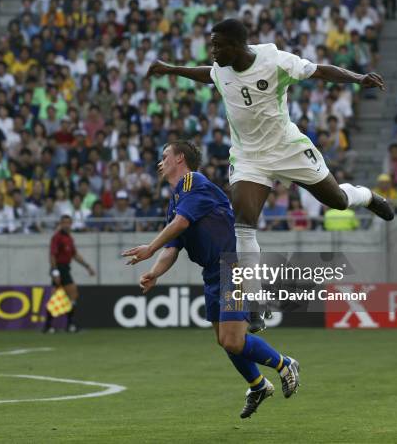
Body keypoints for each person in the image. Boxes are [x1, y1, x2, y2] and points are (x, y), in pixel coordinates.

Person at [146, 18, 394, 331]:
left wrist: (359, 78)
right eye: (212, 45)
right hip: (249, 157)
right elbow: (208, 76)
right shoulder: (220, 68)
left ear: (237, 46)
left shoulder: (274, 60)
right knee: (244, 225)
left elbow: (320, 70)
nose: (213, 52)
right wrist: (170, 68)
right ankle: (255, 302)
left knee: (338, 200)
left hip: (287, 147)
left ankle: (367, 196)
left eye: (218, 46)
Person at [122, 141, 300, 419]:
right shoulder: (176, 200)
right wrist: (154, 273)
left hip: (232, 265)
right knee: (223, 339)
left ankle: (285, 364)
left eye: (165, 155)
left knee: (232, 340)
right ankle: (257, 386)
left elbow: (179, 226)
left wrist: (149, 249)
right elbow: (173, 246)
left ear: (180, 158)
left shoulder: (194, 181)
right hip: (213, 273)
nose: (160, 161)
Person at [49, 215, 95, 332]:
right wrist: (55, 272)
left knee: (58, 296)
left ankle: (50, 326)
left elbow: (74, 255)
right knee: (72, 294)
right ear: (60, 223)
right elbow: (52, 255)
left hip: (65, 268)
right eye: (64, 223)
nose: (66, 225)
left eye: (68, 223)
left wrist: (87, 266)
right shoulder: (57, 237)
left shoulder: (69, 238)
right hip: (59, 268)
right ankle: (69, 325)